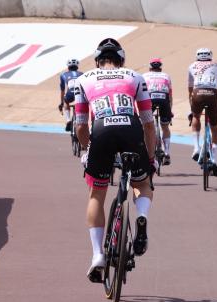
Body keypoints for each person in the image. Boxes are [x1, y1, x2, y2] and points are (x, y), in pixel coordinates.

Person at [74, 38, 157, 281]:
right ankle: (141, 217)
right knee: (141, 184)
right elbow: (149, 124)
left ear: (98, 61)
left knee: (97, 193)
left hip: (100, 129)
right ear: (121, 60)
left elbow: (80, 127)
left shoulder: (84, 79)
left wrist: (88, 150)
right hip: (130, 127)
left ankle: (97, 255)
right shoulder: (135, 76)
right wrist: (150, 159)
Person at [188, 48, 217, 176]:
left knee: (196, 117)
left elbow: (190, 90)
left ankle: (196, 147)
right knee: (215, 129)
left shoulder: (192, 66)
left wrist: (191, 110)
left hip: (197, 93)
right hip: (212, 94)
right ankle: (214, 159)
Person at [143, 58, 173, 165]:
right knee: (165, 126)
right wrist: (170, 110)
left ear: (150, 68)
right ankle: (167, 152)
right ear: (160, 68)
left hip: (150, 99)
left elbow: (141, 95)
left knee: (146, 124)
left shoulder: (145, 76)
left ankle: (147, 150)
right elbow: (170, 96)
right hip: (164, 99)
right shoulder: (166, 76)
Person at [58, 58, 83, 131]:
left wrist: (62, 103)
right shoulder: (82, 74)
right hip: (80, 92)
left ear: (68, 67)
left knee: (66, 102)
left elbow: (62, 90)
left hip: (70, 93)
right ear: (77, 66)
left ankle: (68, 120)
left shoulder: (63, 75)